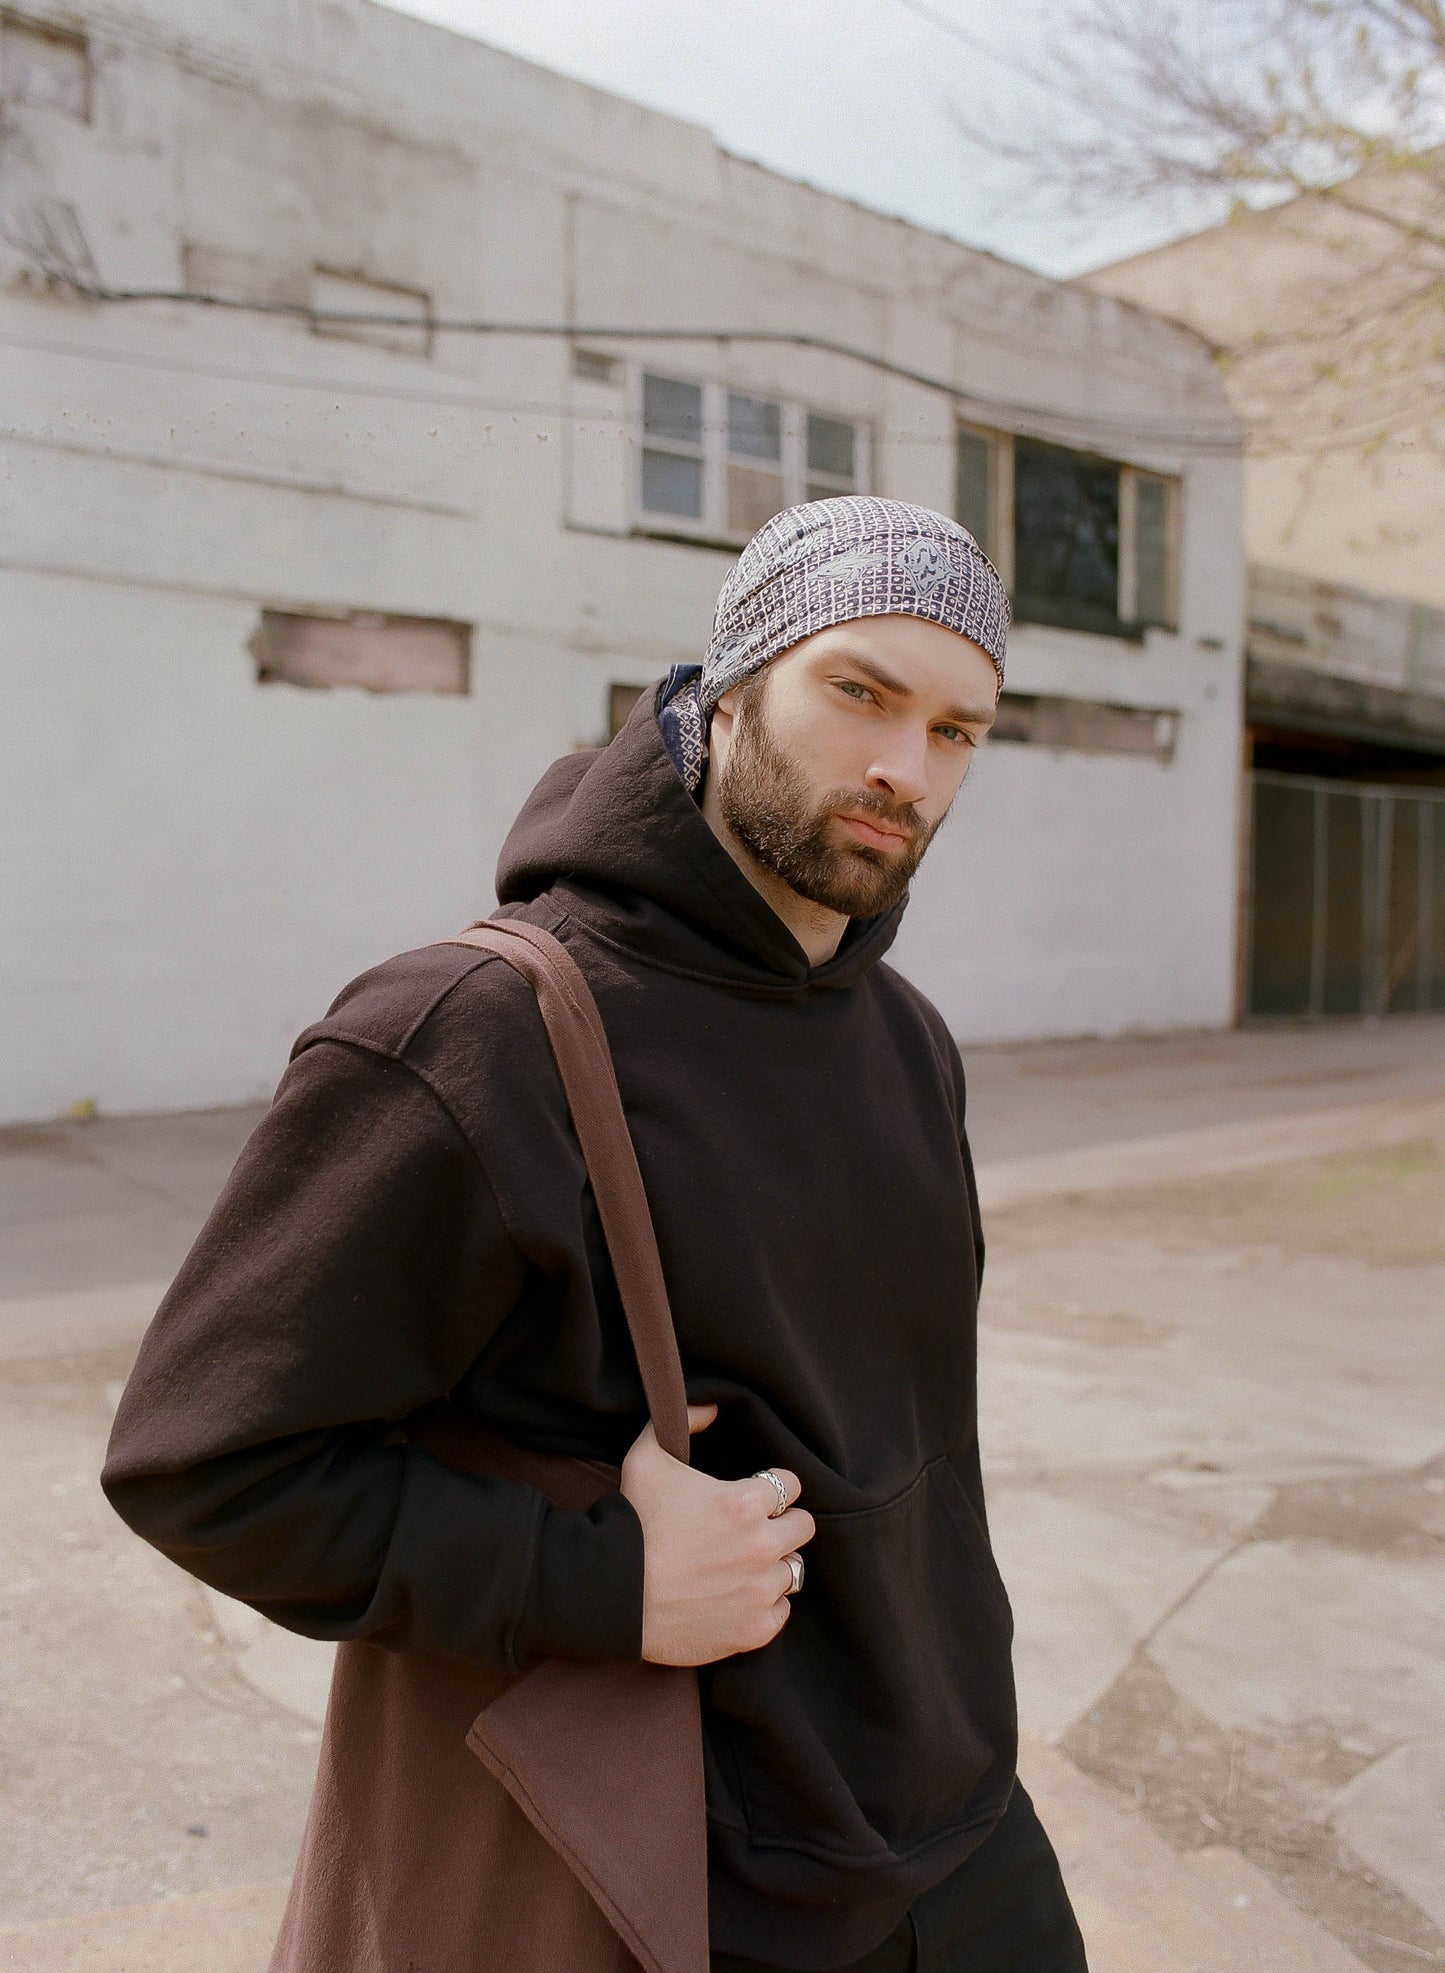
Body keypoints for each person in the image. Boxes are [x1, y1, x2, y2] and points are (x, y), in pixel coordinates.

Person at [103, 497, 1088, 1972]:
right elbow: (205, 1462)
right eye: (859, 692)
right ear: (734, 688)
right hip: (687, 1868)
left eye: (956, 731)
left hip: (963, 1824)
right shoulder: (473, 1033)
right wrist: (599, 1580)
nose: (906, 766)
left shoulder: (906, 1039)